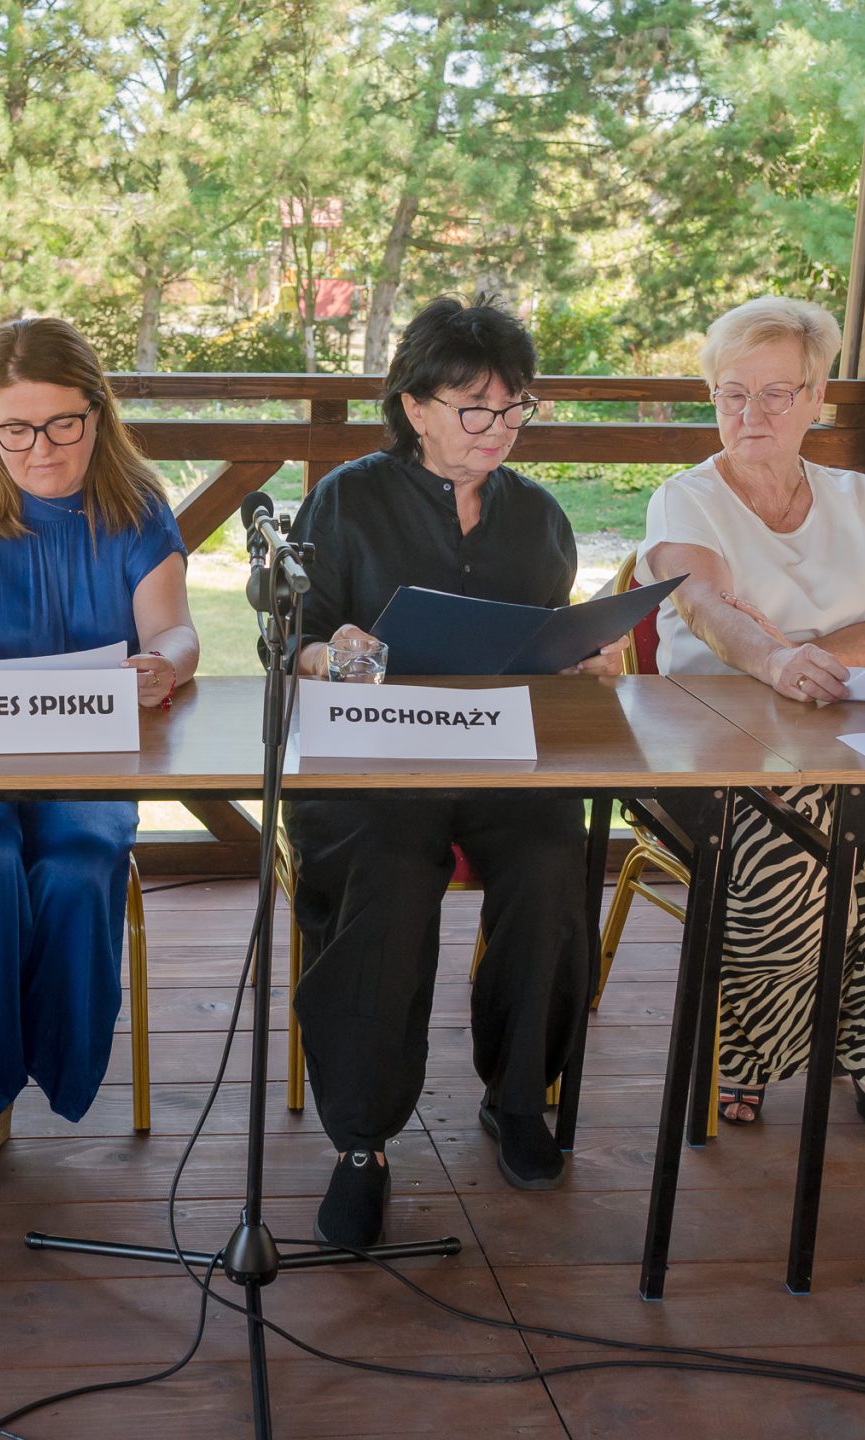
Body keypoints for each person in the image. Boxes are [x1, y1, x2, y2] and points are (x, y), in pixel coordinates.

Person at [288, 297, 618, 1248]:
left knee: (553, 863)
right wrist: (331, 653)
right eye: (475, 408)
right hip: (374, 763)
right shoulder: (346, 499)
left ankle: (518, 1096)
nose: (498, 429)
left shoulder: (538, 516)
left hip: (501, 753)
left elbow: (545, 643)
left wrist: (582, 660)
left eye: (515, 409)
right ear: (415, 407)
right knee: (389, 876)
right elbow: (293, 640)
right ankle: (361, 1142)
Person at [634, 295, 865, 1139]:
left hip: (846, 735)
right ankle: (747, 1055)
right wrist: (775, 663)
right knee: (782, 865)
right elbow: (705, 609)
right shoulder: (686, 499)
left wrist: (803, 657)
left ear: (815, 399)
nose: (750, 413)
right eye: (732, 393)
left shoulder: (853, 495)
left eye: (775, 393)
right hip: (713, 740)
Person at [0, 317, 197, 1194]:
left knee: (77, 865)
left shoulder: (137, 510)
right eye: (15, 429)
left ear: (98, 413)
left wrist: (164, 664)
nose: (41, 449)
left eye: (61, 424)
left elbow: (175, 630)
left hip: (88, 757)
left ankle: (0, 1072)